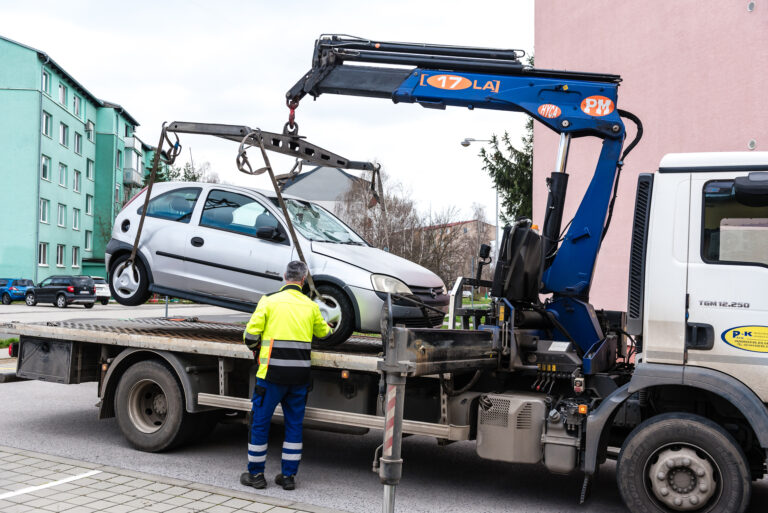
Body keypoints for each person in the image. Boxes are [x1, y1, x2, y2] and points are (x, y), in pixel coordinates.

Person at [240, 261, 332, 491]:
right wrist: (330, 325)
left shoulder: (269, 301)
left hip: (270, 377)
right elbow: (325, 332)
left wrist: (256, 345)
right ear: (303, 280)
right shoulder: (310, 306)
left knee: (260, 424)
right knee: (294, 426)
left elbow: (250, 336)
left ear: (284, 277)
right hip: (299, 378)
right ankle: (288, 477)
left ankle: (256, 475)